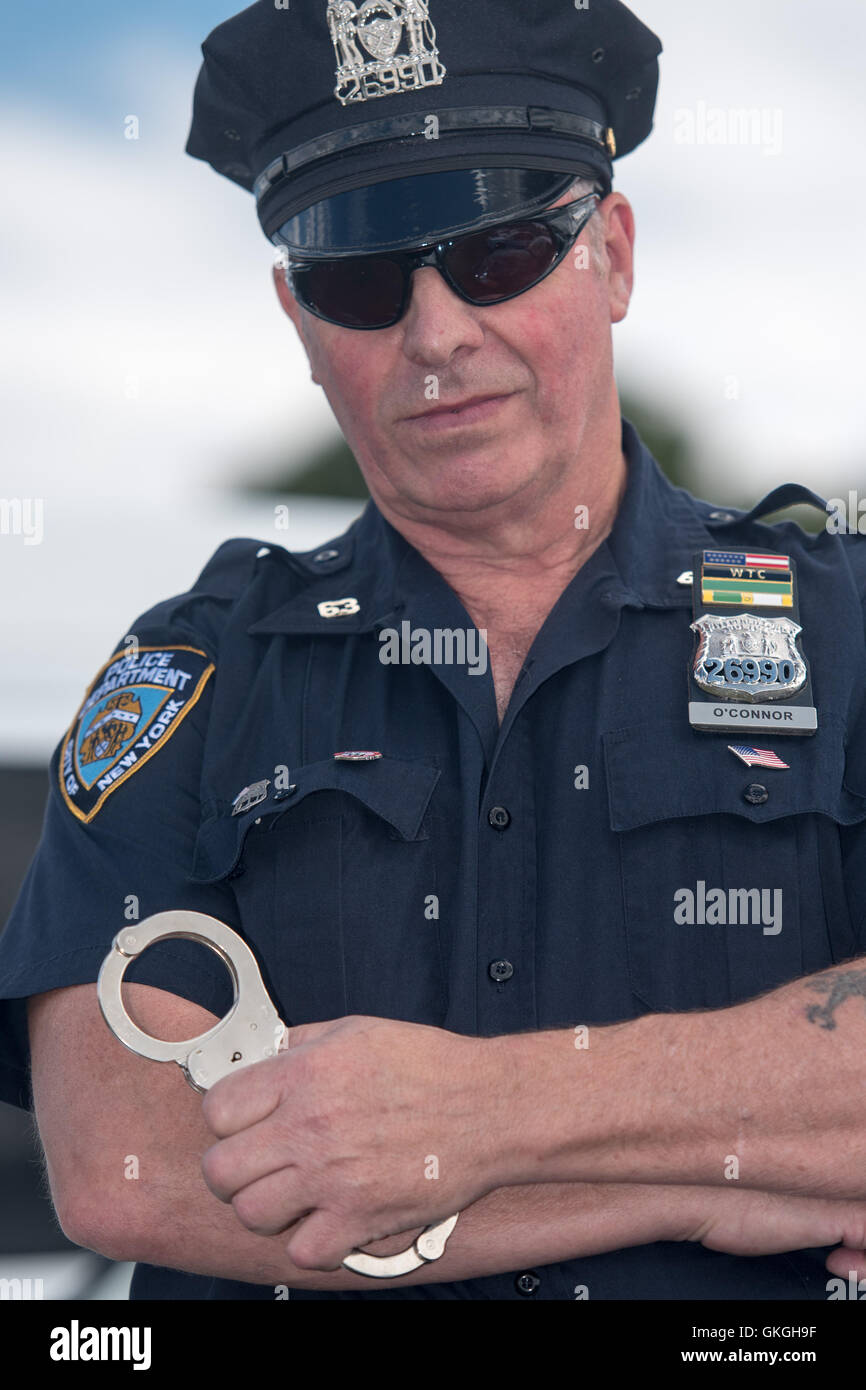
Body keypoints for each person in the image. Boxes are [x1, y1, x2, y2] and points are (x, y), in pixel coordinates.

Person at [1, 0, 866, 1303]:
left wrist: (482, 1113)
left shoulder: (844, 626)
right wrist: (721, 1173)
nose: (437, 333)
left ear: (614, 257)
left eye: (501, 249)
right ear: (300, 321)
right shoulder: (199, 673)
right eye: (358, 279)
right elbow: (128, 1166)